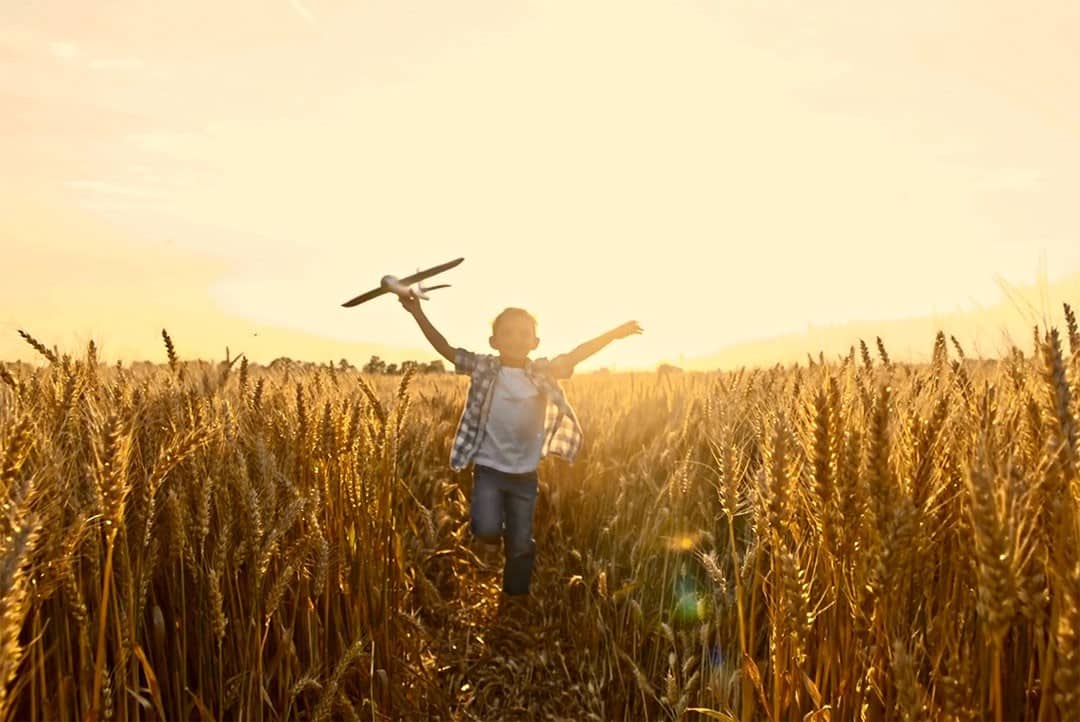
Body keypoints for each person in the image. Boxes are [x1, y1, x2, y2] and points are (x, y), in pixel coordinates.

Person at [400, 293, 641, 596]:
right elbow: (446, 349)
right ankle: (497, 536)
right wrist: (417, 313)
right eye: (508, 333)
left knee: (520, 544)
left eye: (524, 333)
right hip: (488, 469)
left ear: (535, 342)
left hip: (525, 475)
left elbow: (578, 353)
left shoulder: (542, 371)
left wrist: (613, 334)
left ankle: (515, 596)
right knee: (485, 530)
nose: (516, 339)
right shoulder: (483, 367)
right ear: (493, 341)